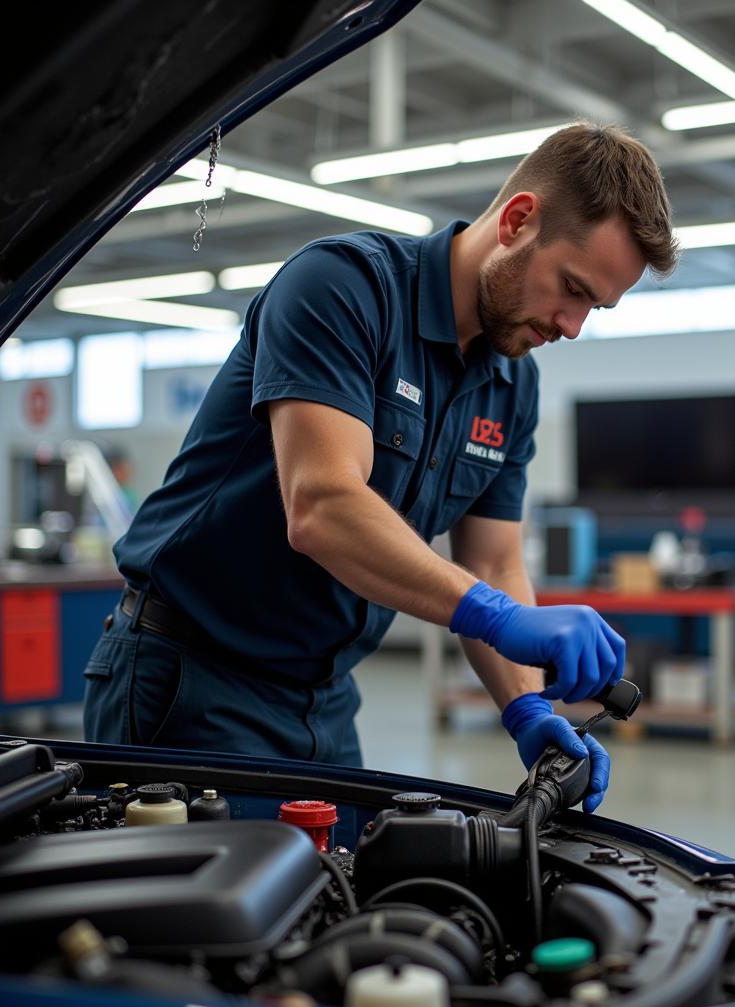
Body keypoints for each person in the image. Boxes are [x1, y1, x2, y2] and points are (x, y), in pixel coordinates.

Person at [82, 122, 677, 814]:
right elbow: (324, 505)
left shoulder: (512, 386)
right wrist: (498, 616)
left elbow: (492, 565)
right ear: (518, 221)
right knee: (211, 918)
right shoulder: (343, 289)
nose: (572, 325)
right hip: (190, 679)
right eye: (571, 288)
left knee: (336, 909)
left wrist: (527, 709)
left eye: (593, 308)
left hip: (324, 703)